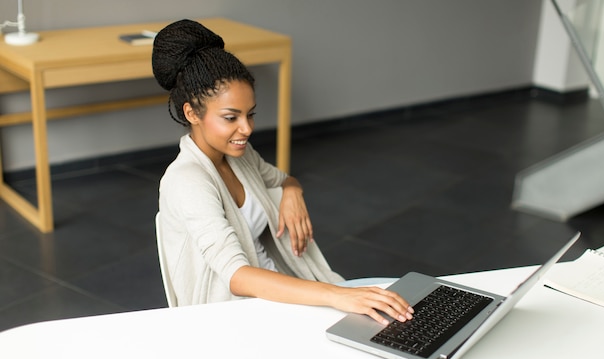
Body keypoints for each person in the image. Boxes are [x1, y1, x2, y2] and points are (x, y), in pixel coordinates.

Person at [152, 19, 413, 325]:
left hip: (280, 291)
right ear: (192, 113)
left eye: (250, 114)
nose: (246, 128)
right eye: (230, 117)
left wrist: (292, 192)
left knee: (387, 320)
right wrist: (334, 295)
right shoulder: (187, 181)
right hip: (233, 318)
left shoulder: (240, 155)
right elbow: (236, 276)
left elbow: (283, 179)